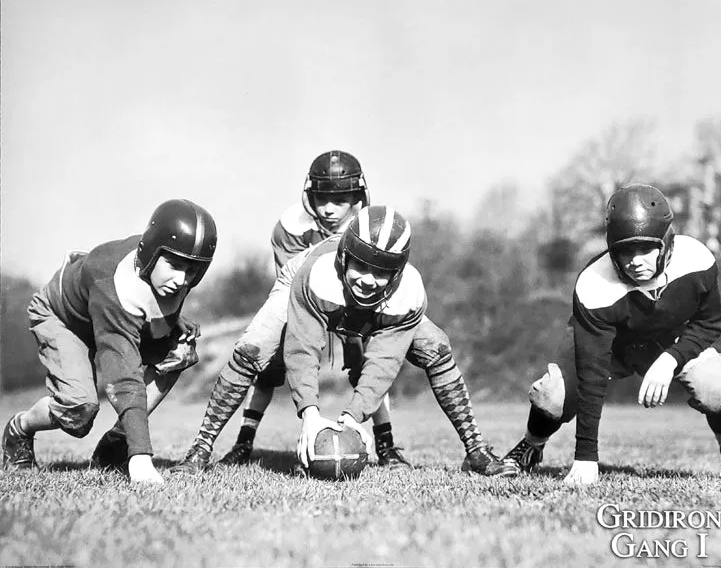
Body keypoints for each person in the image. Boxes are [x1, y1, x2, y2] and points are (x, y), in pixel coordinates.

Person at [173, 151, 502, 475]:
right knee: (252, 349)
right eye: (361, 266)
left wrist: (353, 416)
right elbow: (302, 348)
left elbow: (384, 360)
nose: (369, 279)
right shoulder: (317, 274)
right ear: (345, 256)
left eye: (383, 271)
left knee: (435, 346)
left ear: (399, 272)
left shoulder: (409, 293)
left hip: (362, 299)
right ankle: (200, 449)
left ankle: (475, 449)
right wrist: (310, 414)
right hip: (302, 283)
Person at [496, 183, 721, 484]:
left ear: (667, 243)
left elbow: (709, 324)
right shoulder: (594, 285)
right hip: (610, 348)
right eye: (625, 250)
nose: (635, 260)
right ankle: (531, 446)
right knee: (553, 395)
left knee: (719, 386)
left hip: (670, 342)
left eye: (646, 248)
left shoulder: (696, 260)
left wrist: (670, 360)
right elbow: (593, 374)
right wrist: (586, 457)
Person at [1, 199, 218, 486]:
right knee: (78, 409)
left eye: (192, 271)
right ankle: (19, 429)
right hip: (65, 318)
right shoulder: (113, 283)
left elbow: (154, 307)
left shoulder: (167, 270)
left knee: (179, 350)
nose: (182, 280)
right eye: (175, 266)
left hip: (101, 319)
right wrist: (140, 456)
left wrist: (174, 326)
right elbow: (123, 377)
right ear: (151, 251)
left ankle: (115, 443)